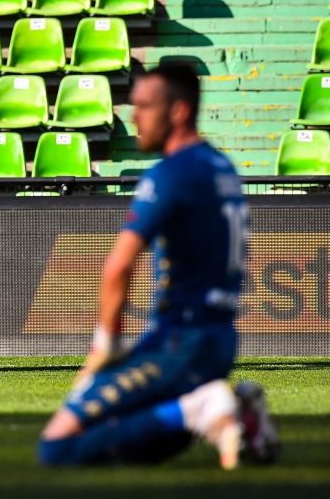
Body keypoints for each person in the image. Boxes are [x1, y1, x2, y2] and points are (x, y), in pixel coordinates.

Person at [37, 63, 279, 469]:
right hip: (218, 340)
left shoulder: (172, 173)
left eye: (146, 106)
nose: (134, 117)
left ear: (179, 112)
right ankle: (232, 410)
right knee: (136, 447)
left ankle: (200, 408)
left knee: (56, 448)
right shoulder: (222, 168)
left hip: (178, 342)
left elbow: (118, 266)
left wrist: (105, 347)